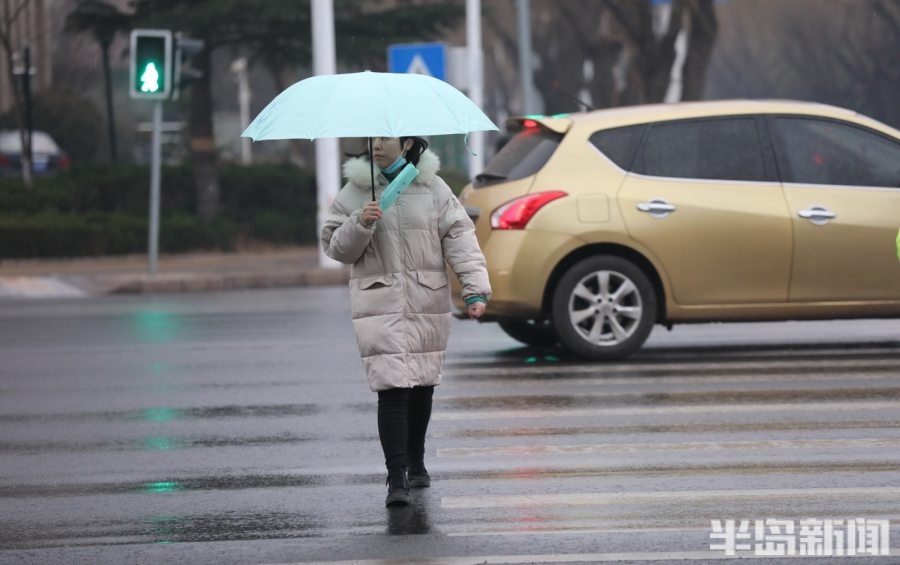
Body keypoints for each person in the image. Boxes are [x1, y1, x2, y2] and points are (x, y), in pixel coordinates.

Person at [320, 136, 491, 507]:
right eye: (373, 139)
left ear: (407, 142)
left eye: (385, 138)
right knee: (392, 389)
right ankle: (395, 476)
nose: (376, 145)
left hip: (426, 297)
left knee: (422, 388)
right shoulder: (356, 190)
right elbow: (335, 247)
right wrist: (359, 221)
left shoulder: (432, 187)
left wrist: (475, 289)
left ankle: (416, 460)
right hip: (378, 302)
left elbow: (460, 236)